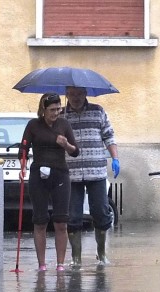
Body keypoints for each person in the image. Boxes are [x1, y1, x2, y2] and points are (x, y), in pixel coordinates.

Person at [18, 93, 79, 272]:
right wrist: (23, 167)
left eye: (58, 109)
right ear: (43, 110)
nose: (56, 113)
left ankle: (60, 264)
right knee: (40, 220)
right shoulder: (33, 125)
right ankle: (42, 264)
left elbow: (75, 151)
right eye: (52, 110)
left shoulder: (64, 124)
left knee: (61, 221)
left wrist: (66, 144)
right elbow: (23, 148)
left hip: (60, 174)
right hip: (39, 174)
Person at [63, 86, 120, 266]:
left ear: (85, 94)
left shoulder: (98, 112)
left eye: (79, 94)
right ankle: (76, 258)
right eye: (72, 94)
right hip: (71, 173)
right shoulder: (62, 116)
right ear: (66, 95)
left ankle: (101, 254)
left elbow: (109, 136)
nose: (76, 98)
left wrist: (115, 158)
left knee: (101, 213)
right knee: (72, 216)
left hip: (96, 171)